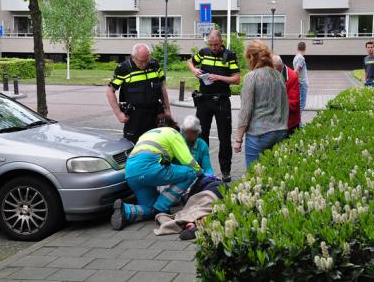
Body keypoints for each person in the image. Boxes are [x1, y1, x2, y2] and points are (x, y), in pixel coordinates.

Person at [111, 117, 203, 230]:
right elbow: (187, 160)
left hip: (130, 173)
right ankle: (161, 207)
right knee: (190, 173)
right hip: (149, 169)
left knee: (149, 208)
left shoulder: (149, 133)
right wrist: (200, 173)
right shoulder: (174, 133)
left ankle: (126, 211)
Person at [187, 30, 240, 182]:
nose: (214, 47)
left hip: (222, 100)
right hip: (204, 100)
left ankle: (225, 171)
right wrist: (194, 70)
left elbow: (236, 79)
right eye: (211, 44)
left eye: (216, 44)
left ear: (221, 42)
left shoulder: (229, 56)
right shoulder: (203, 52)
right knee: (201, 137)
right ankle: (201, 170)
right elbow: (190, 61)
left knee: (224, 137)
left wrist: (218, 77)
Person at [234, 40, 289, 169]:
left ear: (252, 57)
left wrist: (238, 139)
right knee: (273, 172)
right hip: (280, 131)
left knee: (254, 174)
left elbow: (246, 110)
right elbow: (285, 105)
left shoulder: (251, 77)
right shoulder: (279, 76)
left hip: (258, 134)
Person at [105, 43, 171, 144]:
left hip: (155, 114)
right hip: (135, 117)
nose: (144, 64)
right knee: (133, 148)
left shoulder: (155, 65)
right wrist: (118, 113)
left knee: (156, 147)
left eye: (146, 60)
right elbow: (110, 91)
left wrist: (167, 109)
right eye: (141, 61)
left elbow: (162, 87)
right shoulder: (124, 68)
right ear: (133, 57)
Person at [273, 55, 300, 135]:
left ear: (279, 68)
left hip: (289, 124)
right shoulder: (270, 73)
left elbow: (293, 104)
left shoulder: (292, 77)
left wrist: (273, 103)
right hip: (274, 124)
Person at [293, 42, 309, 121]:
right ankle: (297, 124)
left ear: (298, 48)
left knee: (299, 104)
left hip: (300, 83)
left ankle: (297, 123)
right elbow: (296, 71)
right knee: (301, 104)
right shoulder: (301, 58)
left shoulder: (295, 57)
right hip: (302, 84)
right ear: (305, 49)